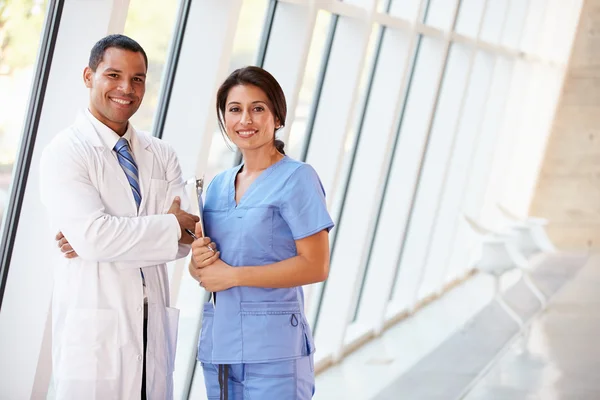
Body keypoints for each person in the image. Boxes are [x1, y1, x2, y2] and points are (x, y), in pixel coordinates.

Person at [40, 34, 198, 400]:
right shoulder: (65, 152)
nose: (126, 88)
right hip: (97, 331)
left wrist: (107, 239)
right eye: (113, 75)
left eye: (138, 78)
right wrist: (168, 226)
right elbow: (97, 237)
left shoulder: (161, 153)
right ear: (88, 76)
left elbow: (185, 240)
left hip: (150, 322)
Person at [189, 66, 334, 399]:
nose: (246, 120)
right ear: (224, 118)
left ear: (277, 117)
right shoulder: (217, 186)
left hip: (274, 353)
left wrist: (234, 276)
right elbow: (205, 270)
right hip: (220, 348)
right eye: (235, 109)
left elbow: (316, 265)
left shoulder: (297, 179)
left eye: (258, 108)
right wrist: (198, 263)